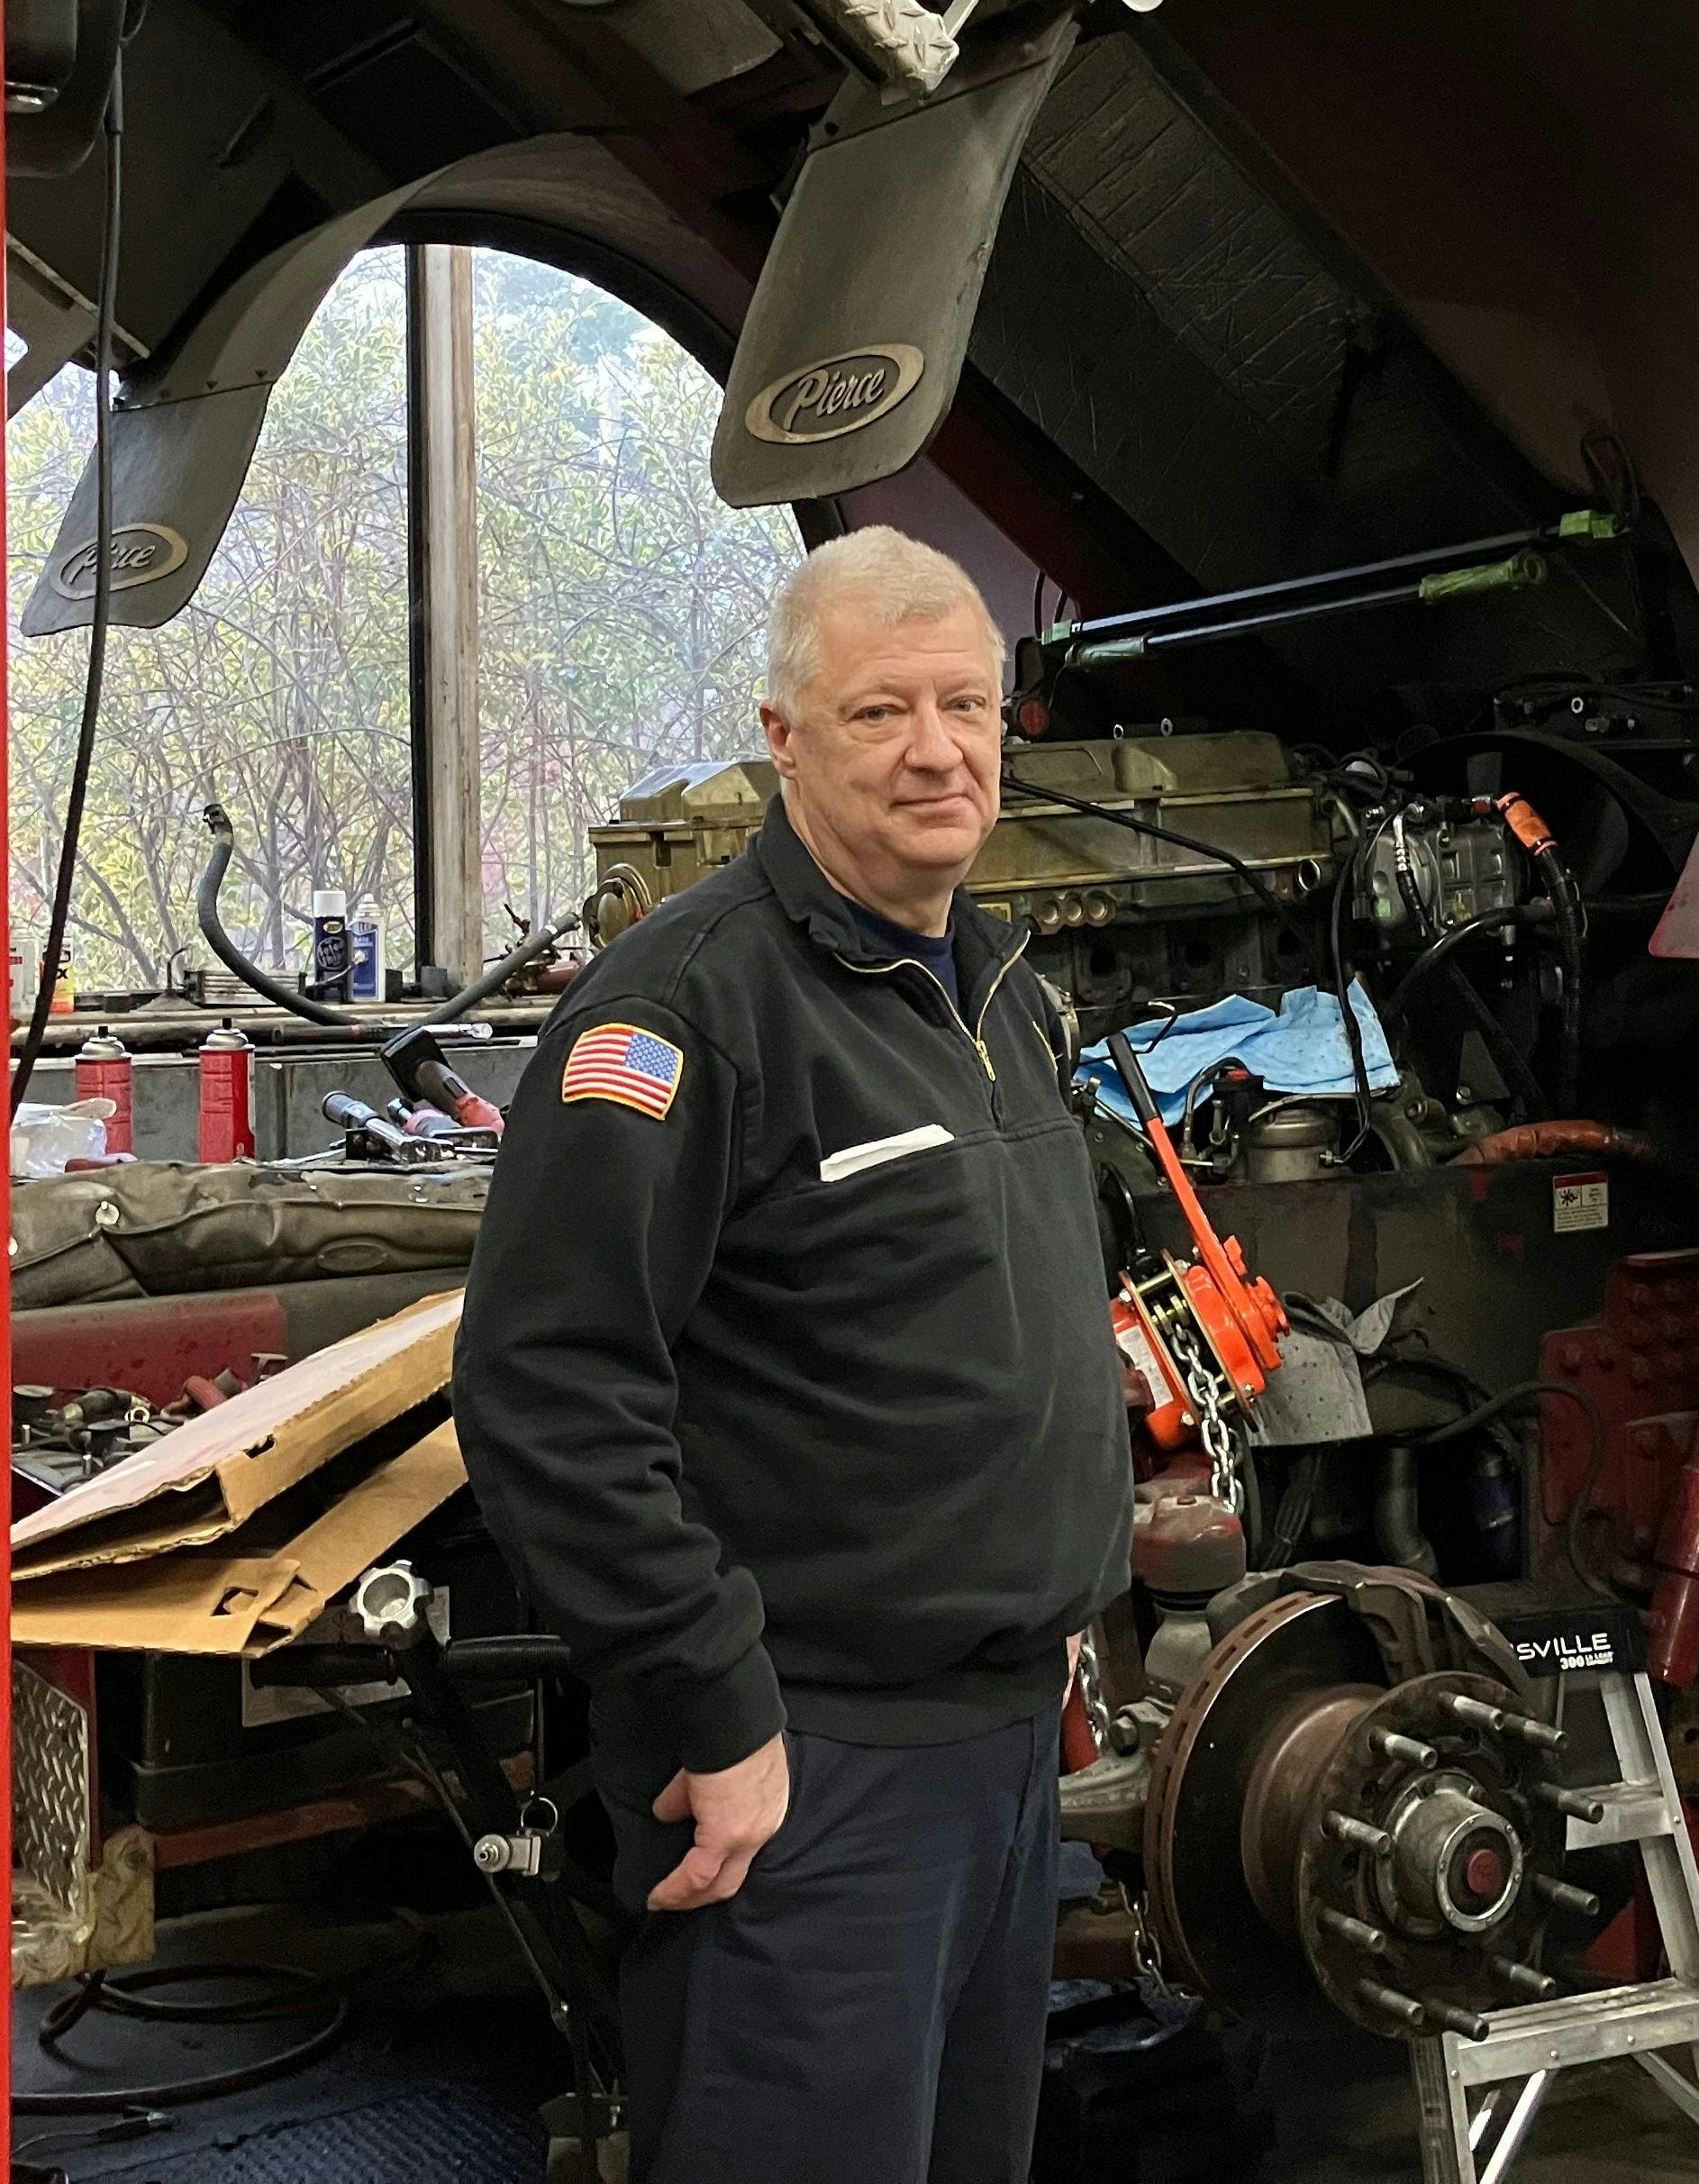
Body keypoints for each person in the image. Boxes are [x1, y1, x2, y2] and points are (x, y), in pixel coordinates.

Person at [454, 525, 1130, 2183]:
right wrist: (718, 1709)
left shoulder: (1002, 989)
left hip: (997, 1759)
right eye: (879, 710)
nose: (935, 750)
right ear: (783, 739)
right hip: (802, 1776)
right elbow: (546, 1391)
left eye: (965, 706)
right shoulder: (683, 1013)